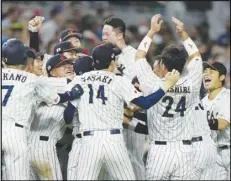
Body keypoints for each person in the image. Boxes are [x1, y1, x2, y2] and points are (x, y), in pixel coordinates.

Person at [64, 42, 180, 180]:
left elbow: (67, 116)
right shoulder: (118, 81)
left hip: (89, 141)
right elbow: (146, 103)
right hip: (114, 141)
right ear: (112, 61)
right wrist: (166, 85)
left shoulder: (79, 80)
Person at [1, 38, 83, 180]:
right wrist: (72, 93)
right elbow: (57, 98)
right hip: (18, 135)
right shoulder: (32, 79)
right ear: (26, 60)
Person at [134, 14, 202, 180]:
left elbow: (139, 56)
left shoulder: (152, 83)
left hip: (159, 151)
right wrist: (183, 34)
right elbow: (197, 57)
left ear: (162, 66)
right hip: (185, 150)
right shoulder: (192, 83)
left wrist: (151, 32)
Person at [101, 16, 147, 180]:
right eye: (102, 33)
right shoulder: (102, 55)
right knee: (109, 162)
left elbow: (141, 87)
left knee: (134, 159)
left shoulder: (134, 56)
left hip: (132, 114)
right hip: (110, 116)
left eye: (107, 34)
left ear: (119, 35)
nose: (103, 37)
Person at [202, 61, 230, 180]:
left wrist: (198, 121)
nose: (206, 74)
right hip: (214, 154)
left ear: (222, 77)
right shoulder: (202, 102)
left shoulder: (228, 96)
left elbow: (221, 124)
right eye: (205, 71)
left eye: (211, 72)